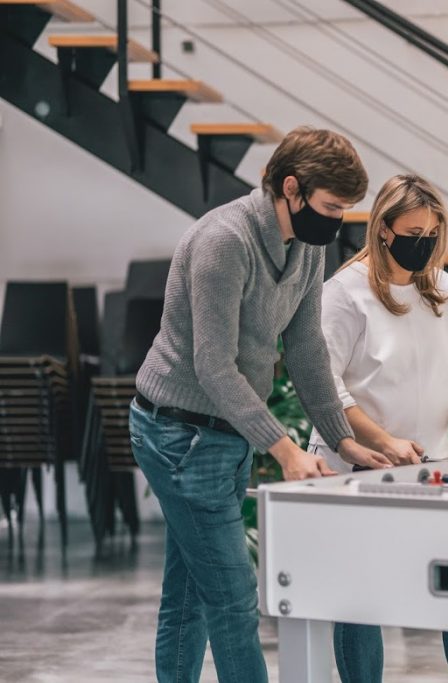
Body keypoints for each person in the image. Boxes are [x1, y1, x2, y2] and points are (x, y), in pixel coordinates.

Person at [129, 127, 390, 683]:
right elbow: (212, 367)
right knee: (233, 598)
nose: (338, 221)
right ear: (291, 188)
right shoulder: (224, 242)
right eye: (330, 207)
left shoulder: (308, 245)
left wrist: (343, 438)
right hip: (179, 432)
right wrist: (285, 449)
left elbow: (305, 346)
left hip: (226, 429)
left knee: (192, 594)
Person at [307, 174, 448, 682]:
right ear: (384, 229)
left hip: (431, 468)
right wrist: (384, 441)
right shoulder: (343, 295)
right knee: (360, 601)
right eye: (414, 232)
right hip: (357, 468)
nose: (425, 243)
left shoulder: (443, 286)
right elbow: (326, 392)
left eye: (433, 233)